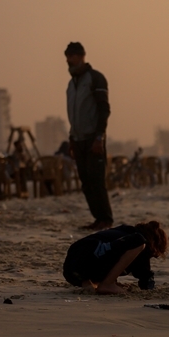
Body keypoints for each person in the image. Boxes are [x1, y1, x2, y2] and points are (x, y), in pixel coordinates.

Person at [64, 41, 113, 230]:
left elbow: (104, 109)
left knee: (97, 181)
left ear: (82, 56)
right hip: (77, 139)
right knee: (86, 183)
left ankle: (106, 219)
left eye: (72, 56)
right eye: (67, 57)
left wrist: (99, 137)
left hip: (93, 139)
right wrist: (71, 138)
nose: (68, 60)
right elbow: (73, 113)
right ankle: (98, 219)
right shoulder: (71, 84)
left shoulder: (95, 78)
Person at [62, 220, 168, 295]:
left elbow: (110, 254)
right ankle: (108, 284)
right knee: (139, 242)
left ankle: (89, 285)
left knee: (94, 285)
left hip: (71, 270)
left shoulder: (122, 233)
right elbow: (145, 274)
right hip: (87, 260)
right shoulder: (139, 240)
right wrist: (149, 288)